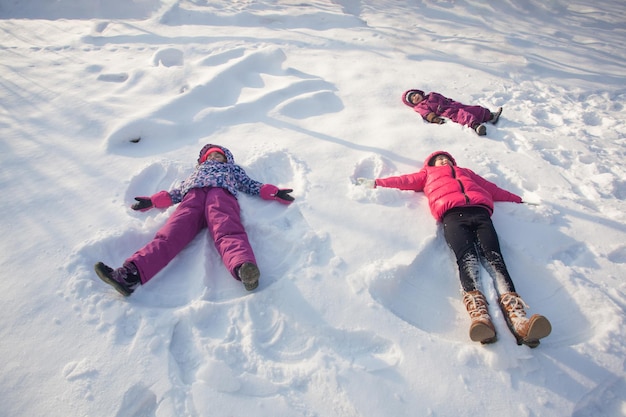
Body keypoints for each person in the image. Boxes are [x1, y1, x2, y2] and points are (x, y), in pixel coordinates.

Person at [357, 151, 551, 347]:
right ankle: (480, 317)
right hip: (452, 216)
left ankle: (519, 320)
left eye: (446, 158)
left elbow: (492, 189)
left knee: (495, 259)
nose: (443, 160)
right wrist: (375, 183)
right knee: (467, 259)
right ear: (431, 164)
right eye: (438, 159)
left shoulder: (466, 172)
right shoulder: (427, 175)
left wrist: (519, 200)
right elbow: (404, 180)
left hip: (481, 213)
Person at [94, 144, 294, 296]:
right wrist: (152, 201)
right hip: (192, 198)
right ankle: (130, 275)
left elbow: (251, 185)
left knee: (227, 231)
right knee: (170, 235)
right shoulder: (196, 173)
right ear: (203, 160)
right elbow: (176, 193)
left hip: (220, 196)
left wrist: (274, 192)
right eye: (211, 155)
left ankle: (244, 268)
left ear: (227, 160)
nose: (215, 157)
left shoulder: (233, 170)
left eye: (219, 155)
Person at [402, 89, 503, 136]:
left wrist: (449, 101)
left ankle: (490, 116)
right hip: (447, 111)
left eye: (414, 95)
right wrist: (435, 119)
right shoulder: (420, 106)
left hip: (453, 104)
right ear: (413, 103)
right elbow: (427, 114)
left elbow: (442, 97)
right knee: (463, 115)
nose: (415, 97)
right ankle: (476, 126)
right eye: (413, 99)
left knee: (474, 109)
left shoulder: (431, 94)